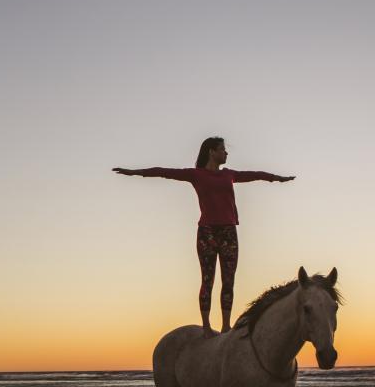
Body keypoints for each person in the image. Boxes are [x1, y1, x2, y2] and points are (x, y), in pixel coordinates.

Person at [114, 137, 294, 337]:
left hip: (228, 232)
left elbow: (254, 175)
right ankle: (207, 326)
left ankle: (226, 325)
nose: (226, 153)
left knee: (228, 280)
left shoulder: (229, 174)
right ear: (211, 151)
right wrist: (134, 172)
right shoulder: (196, 175)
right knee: (207, 280)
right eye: (222, 149)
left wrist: (277, 178)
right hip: (207, 232)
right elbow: (163, 172)